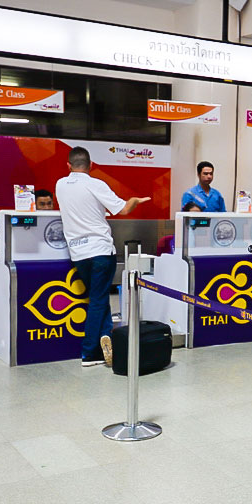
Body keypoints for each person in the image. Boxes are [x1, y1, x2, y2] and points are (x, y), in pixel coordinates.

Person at [55, 146, 151, 367]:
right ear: (91, 165)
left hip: (78, 253)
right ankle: (89, 353)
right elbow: (123, 209)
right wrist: (134, 200)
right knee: (98, 301)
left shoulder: (60, 184)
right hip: (100, 251)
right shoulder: (95, 184)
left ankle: (105, 341)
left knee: (99, 298)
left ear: (68, 165)